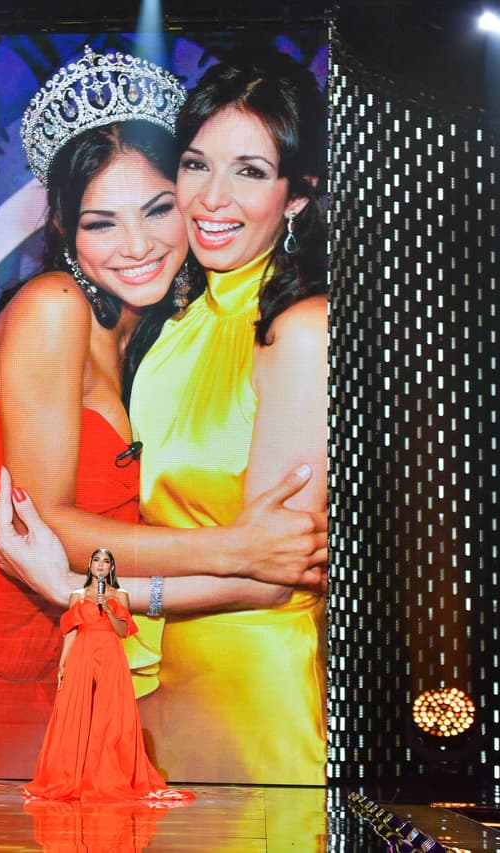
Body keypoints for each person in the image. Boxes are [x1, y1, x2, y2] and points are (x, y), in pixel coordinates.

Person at [0, 46, 326, 780]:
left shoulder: (162, 334)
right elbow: (46, 520)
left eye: (156, 209)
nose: (140, 245)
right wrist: (239, 547)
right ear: (62, 227)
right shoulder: (56, 307)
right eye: (101, 223)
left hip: (88, 662)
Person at [123, 51, 331, 784]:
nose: (211, 198)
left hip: (255, 690)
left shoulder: (300, 328)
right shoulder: (172, 322)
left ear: (296, 194)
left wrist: (95, 590)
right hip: (155, 679)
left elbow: (279, 574)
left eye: (248, 171)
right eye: (195, 164)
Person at [24, 549, 192, 804]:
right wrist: (63, 663)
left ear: (111, 568)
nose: (100, 565)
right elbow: (71, 631)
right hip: (83, 652)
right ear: (90, 565)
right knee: (77, 712)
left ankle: (108, 775)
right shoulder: (77, 596)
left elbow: (123, 631)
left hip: (111, 653)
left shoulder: (119, 595)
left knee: (111, 714)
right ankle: (72, 776)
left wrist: (109, 610)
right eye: (96, 561)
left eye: (105, 562)